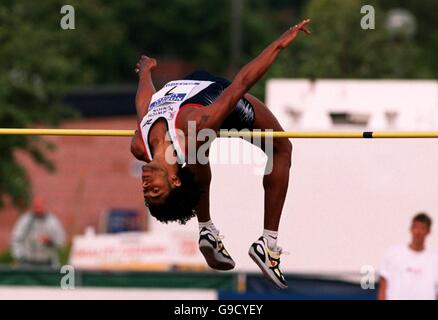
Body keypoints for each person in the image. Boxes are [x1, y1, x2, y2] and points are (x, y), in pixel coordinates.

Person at [130, 19, 312, 289]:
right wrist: (279, 43)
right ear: (173, 180)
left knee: (198, 155)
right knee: (282, 148)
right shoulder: (197, 126)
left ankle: (206, 231)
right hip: (215, 96)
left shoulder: (139, 146)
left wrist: (146, 73)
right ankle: (268, 244)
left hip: (187, 86)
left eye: (146, 192)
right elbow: (242, 83)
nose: (146, 187)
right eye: (154, 191)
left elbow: (145, 102)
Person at [378, 213, 438, 300]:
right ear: (411, 229)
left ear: (428, 232)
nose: (418, 232)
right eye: (416, 227)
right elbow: (383, 285)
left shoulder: (435, 259)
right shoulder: (393, 253)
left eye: (423, 228)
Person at [10, 196, 66, 268]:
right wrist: (19, 256)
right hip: (27, 262)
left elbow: (61, 242)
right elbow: (15, 238)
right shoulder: (25, 221)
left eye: (40, 206)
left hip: (47, 263)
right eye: (36, 207)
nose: (38, 209)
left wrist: (50, 241)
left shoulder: (53, 222)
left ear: (44, 206)